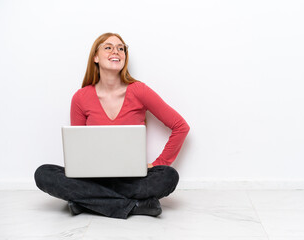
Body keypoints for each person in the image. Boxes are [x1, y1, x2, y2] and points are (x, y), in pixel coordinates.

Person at [34, 32, 190, 219]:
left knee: (169, 176)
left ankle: (86, 202)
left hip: (133, 178)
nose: (116, 51)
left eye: (121, 48)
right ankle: (135, 206)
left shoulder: (139, 90)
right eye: (108, 47)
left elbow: (181, 126)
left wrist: (157, 164)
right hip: (93, 177)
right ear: (96, 57)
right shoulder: (81, 97)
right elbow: (78, 149)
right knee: (43, 174)